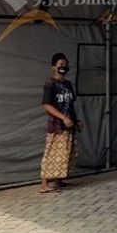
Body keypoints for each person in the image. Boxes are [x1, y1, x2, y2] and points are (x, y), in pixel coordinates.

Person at [40, 52, 80, 193]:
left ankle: (58, 180)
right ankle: (44, 184)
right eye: (61, 65)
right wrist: (63, 117)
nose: (64, 67)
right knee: (52, 153)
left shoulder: (67, 84)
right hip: (57, 125)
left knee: (65, 153)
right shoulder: (50, 84)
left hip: (69, 124)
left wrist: (76, 120)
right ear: (53, 67)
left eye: (65, 64)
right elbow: (47, 105)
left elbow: (70, 104)